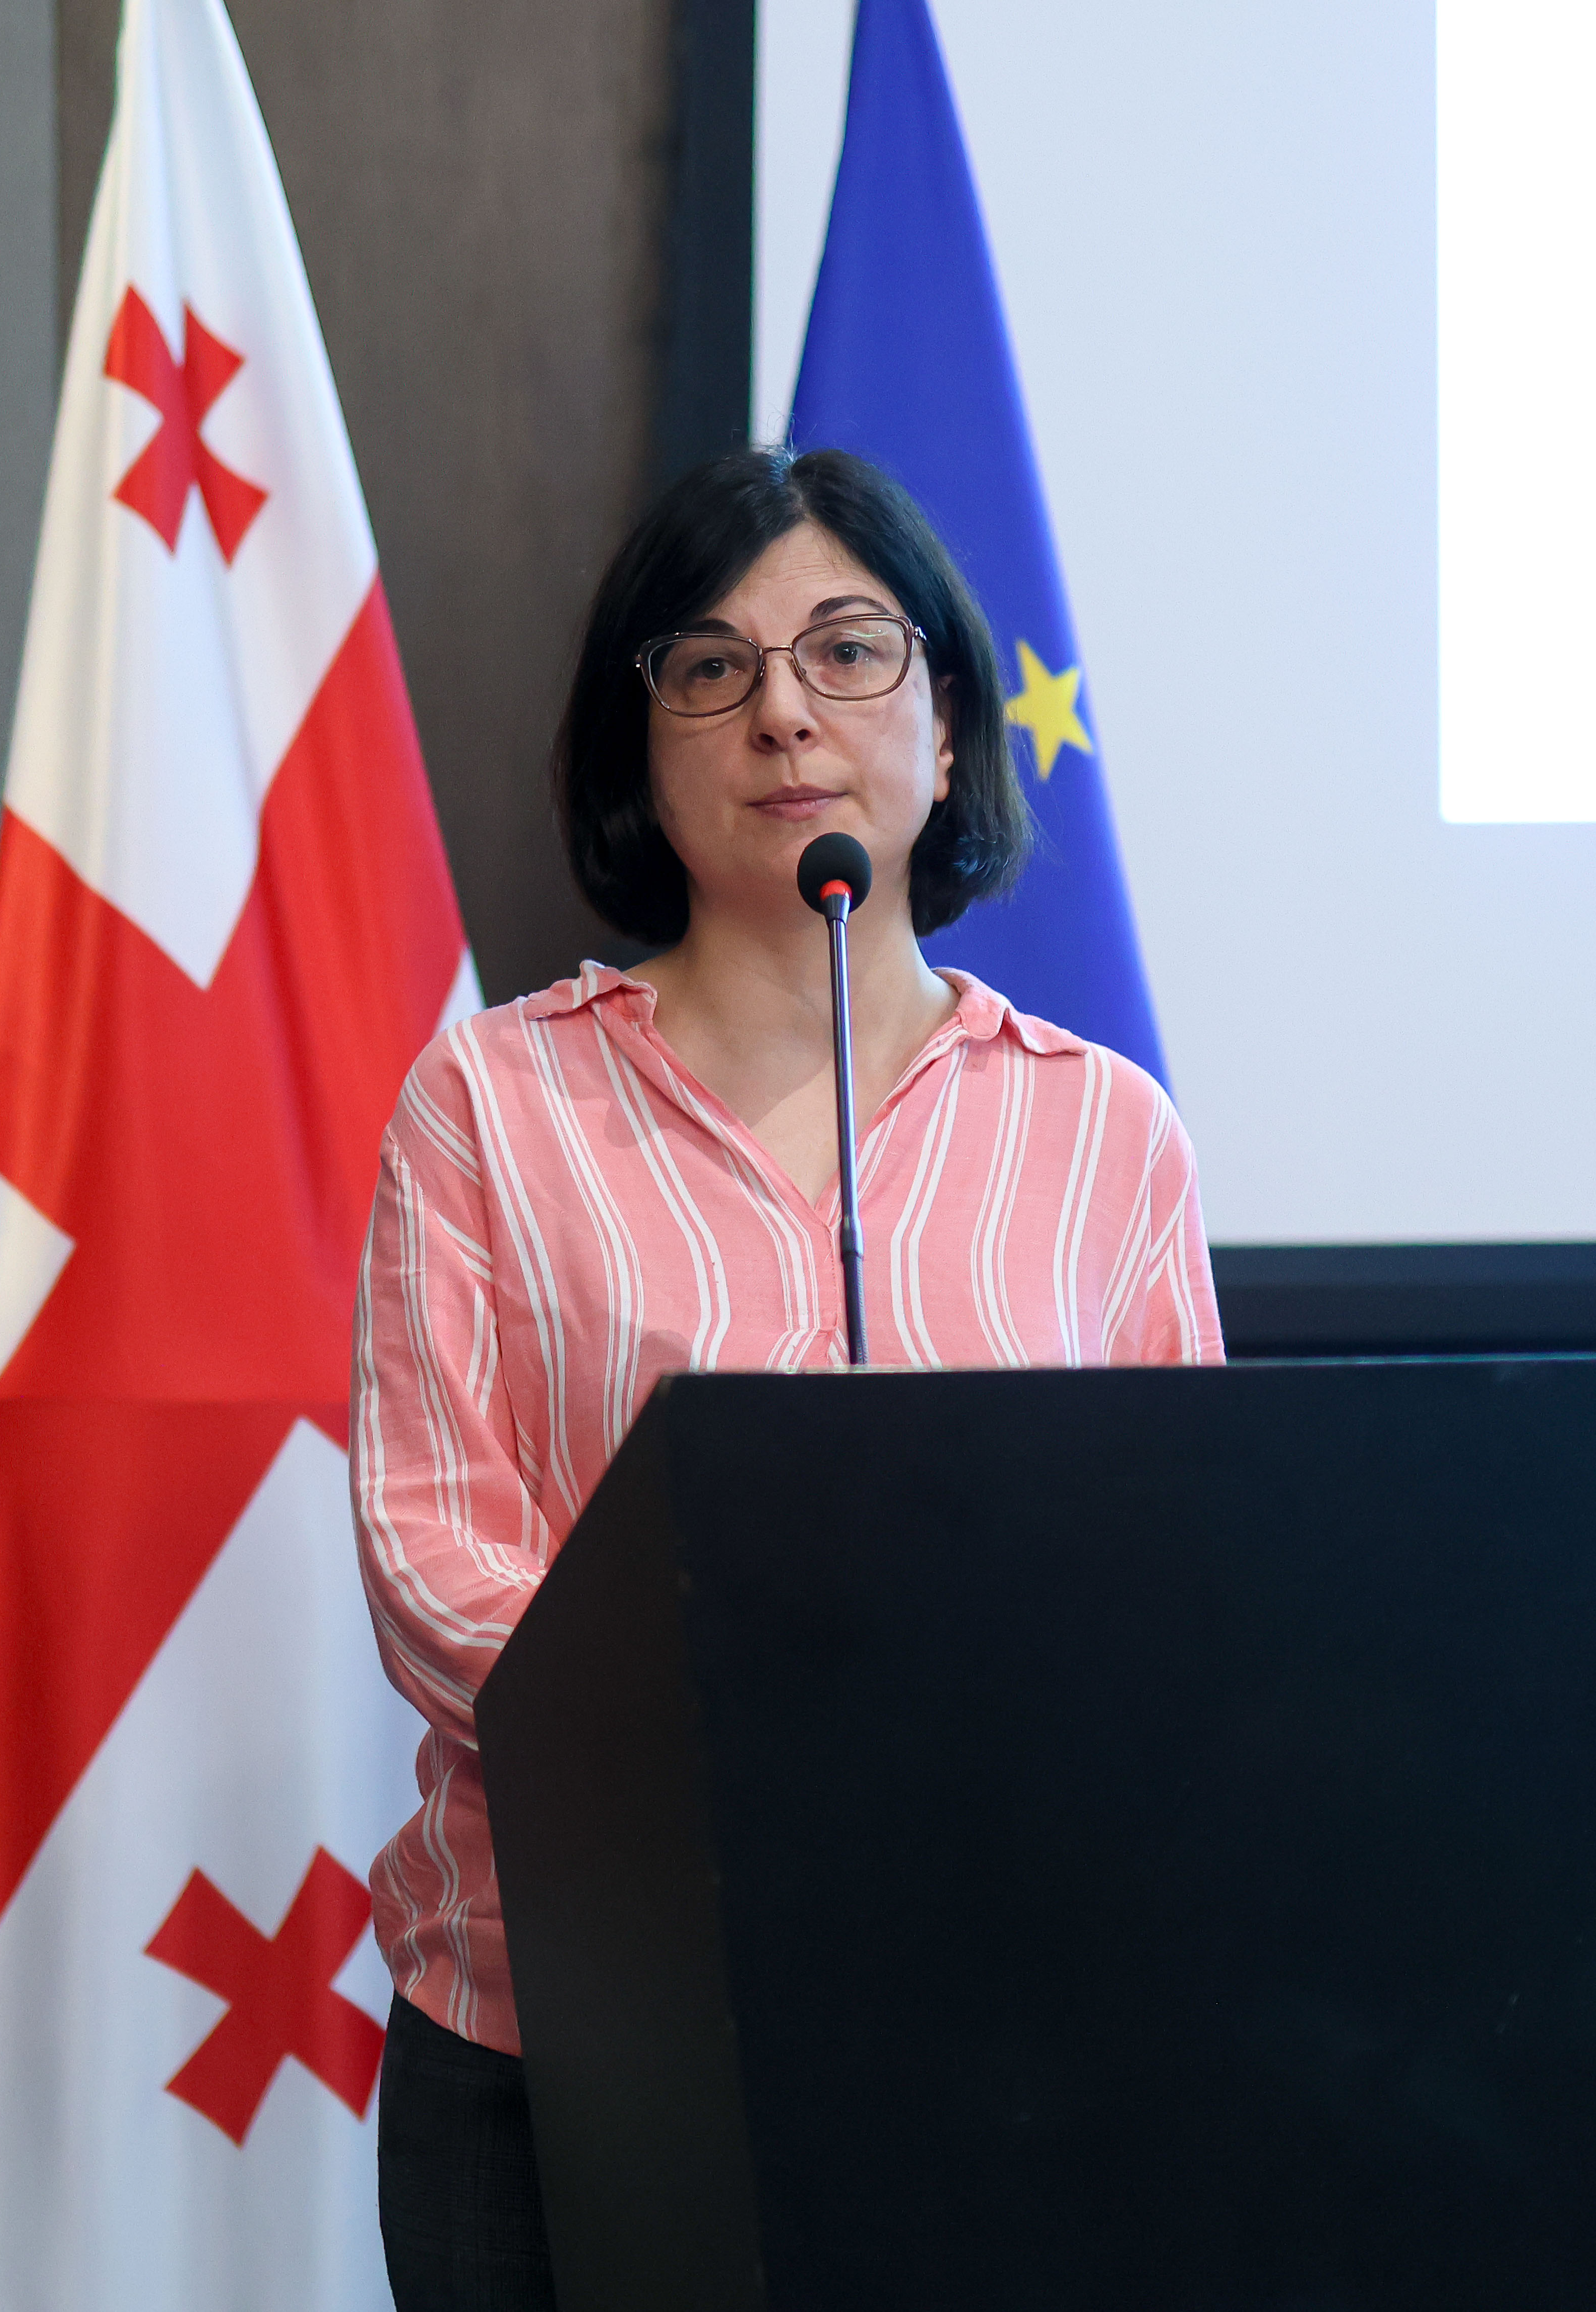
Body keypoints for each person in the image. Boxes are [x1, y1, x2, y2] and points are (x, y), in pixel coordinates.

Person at [351, 444, 1222, 2308]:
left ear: (946, 724)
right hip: (567, 2024)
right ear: (638, 745)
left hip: (996, 2021)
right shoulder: (491, 1104)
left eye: (846, 651)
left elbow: (1179, 1566)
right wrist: (747, 1750)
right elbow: (435, 1557)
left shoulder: (1101, 1134)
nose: (782, 716)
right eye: (710, 667)